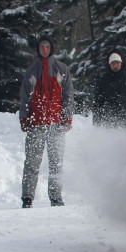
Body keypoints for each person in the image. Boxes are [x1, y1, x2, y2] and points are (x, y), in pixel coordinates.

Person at [19, 36, 74, 208]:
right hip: (36, 124)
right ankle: (27, 198)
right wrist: (23, 117)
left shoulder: (61, 69)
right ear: (38, 49)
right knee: (31, 163)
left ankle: (56, 197)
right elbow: (24, 97)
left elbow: (68, 96)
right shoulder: (31, 71)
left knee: (56, 164)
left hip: (56, 124)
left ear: (51, 48)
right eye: (42, 47)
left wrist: (67, 117)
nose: (44, 49)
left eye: (47, 46)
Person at [92, 50, 126, 131]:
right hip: (109, 122)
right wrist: (96, 122)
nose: (115, 65)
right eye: (113, 63)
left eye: (117, 62)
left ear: (121, 63)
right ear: (109, 64)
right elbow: (98, 102)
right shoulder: (103, 80)